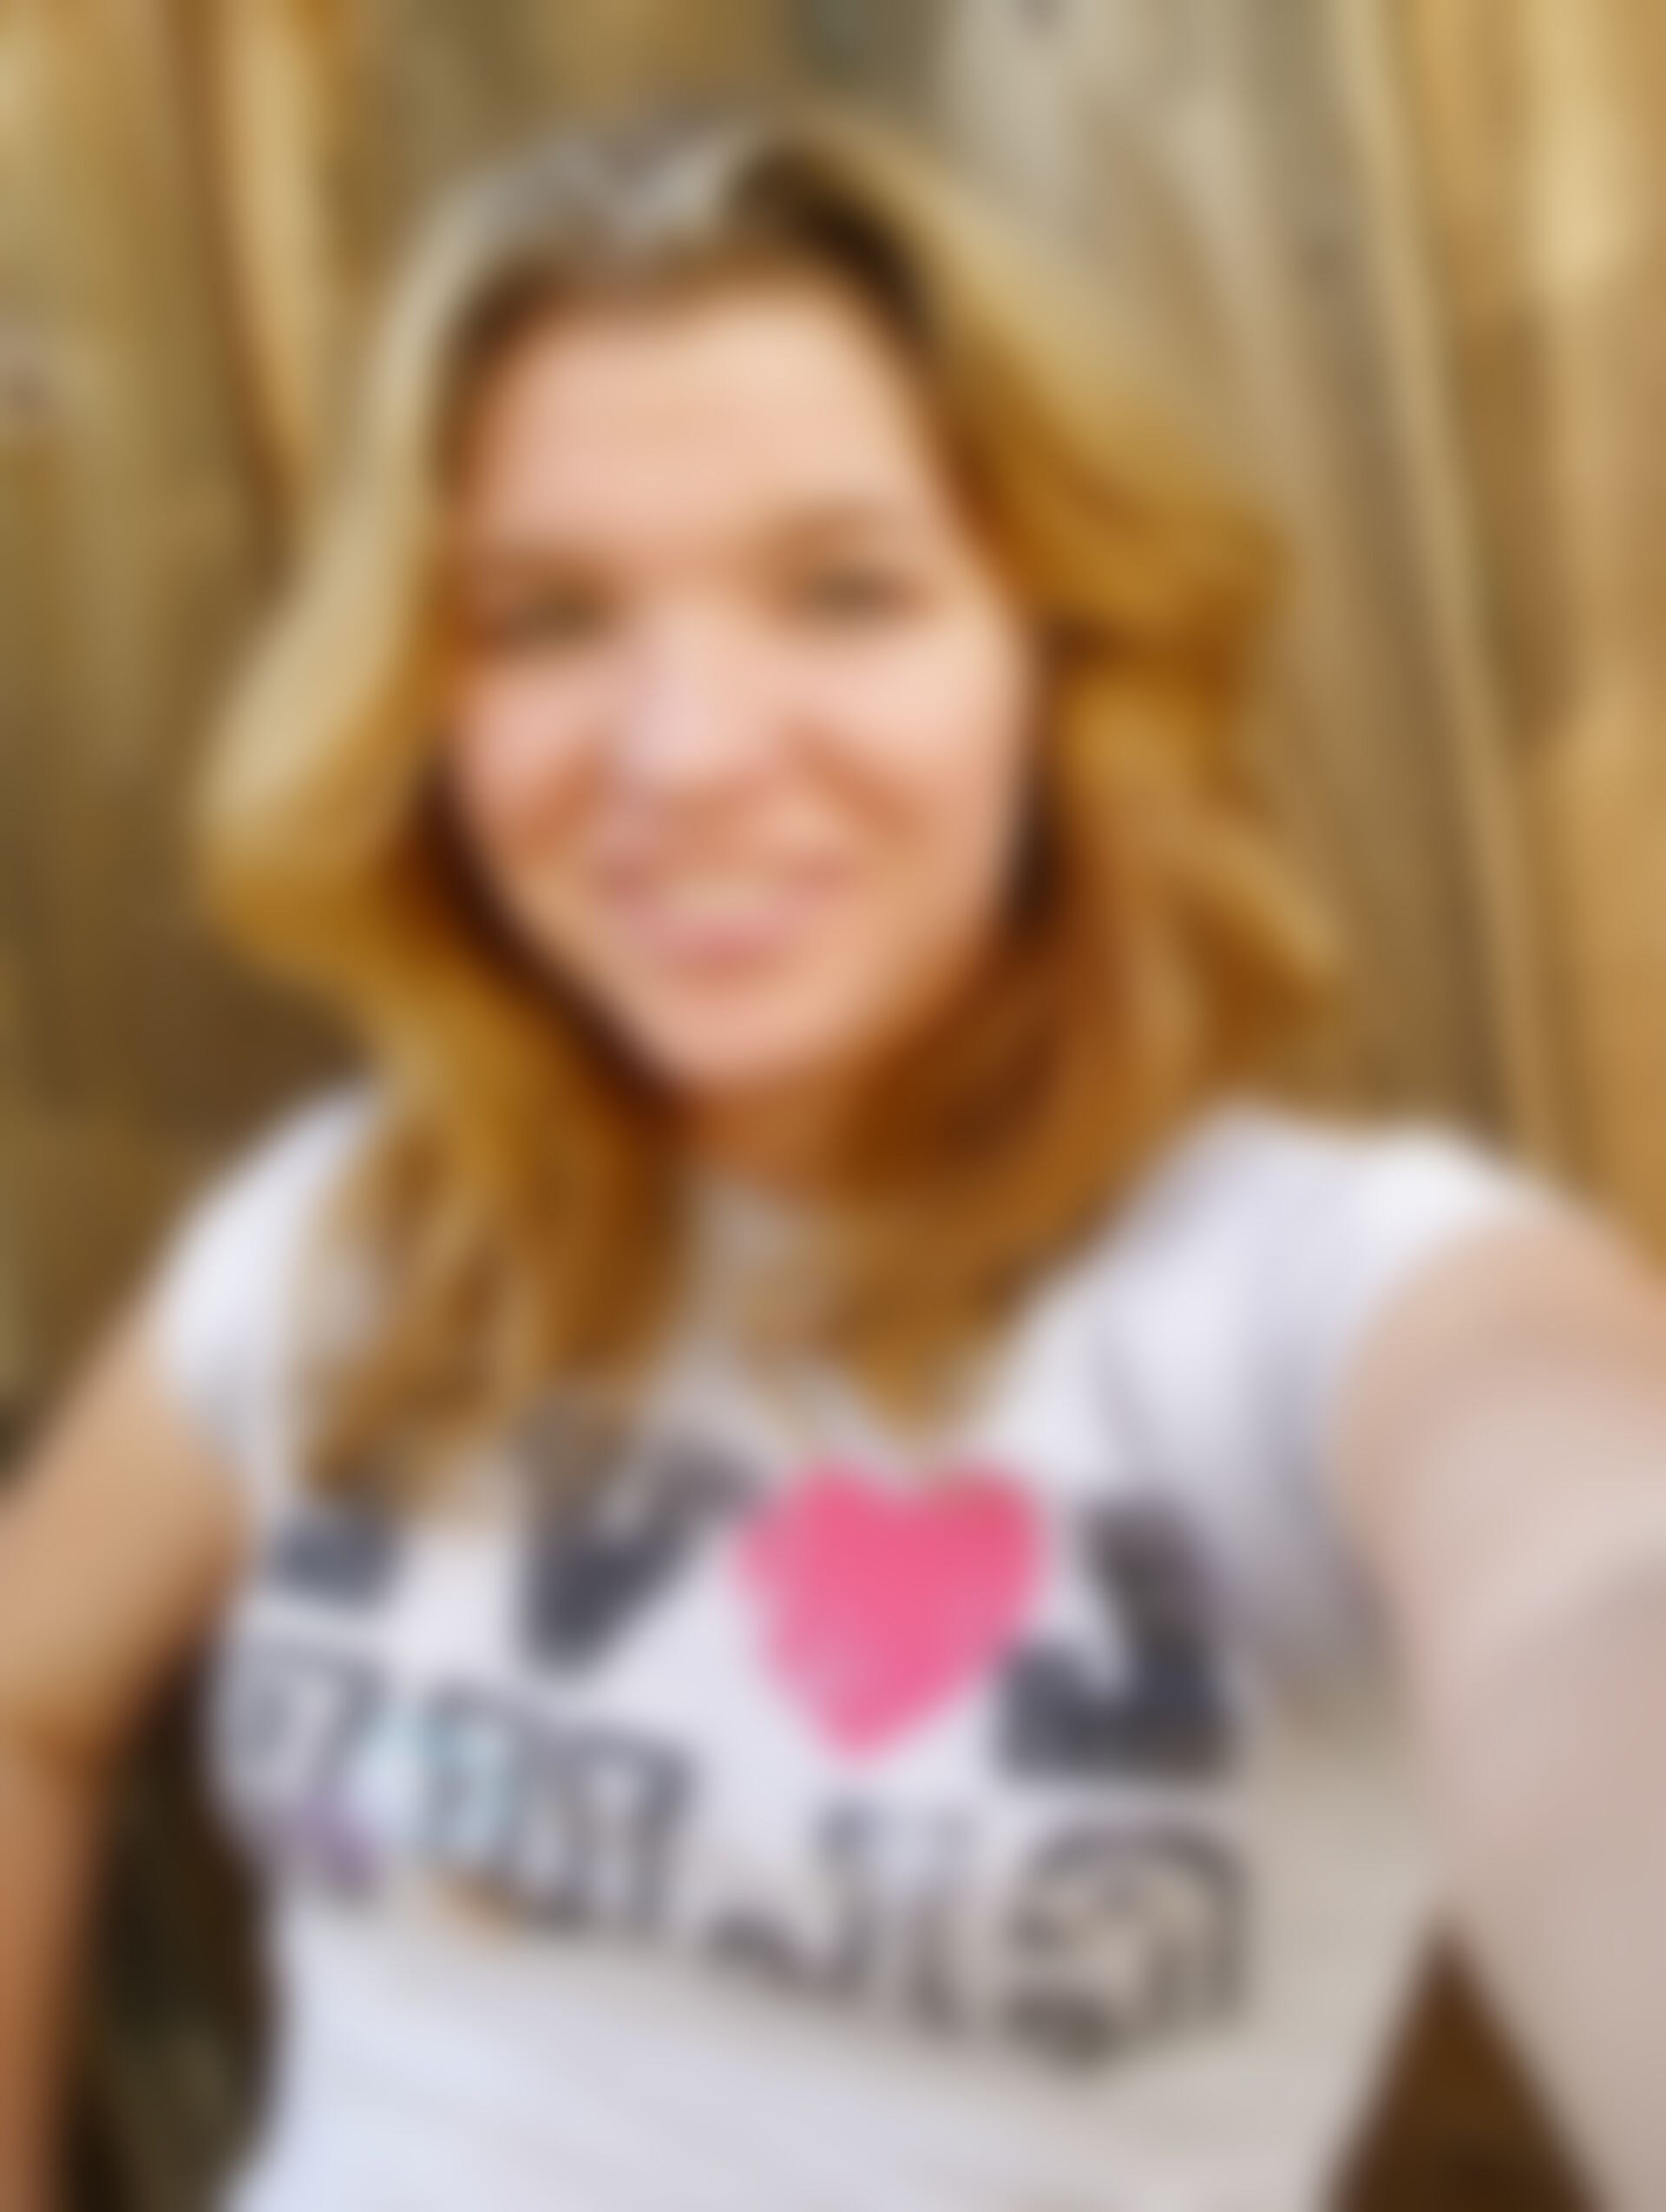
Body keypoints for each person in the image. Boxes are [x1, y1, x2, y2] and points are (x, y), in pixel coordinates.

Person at [3, 99, 1666, 2212]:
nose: (686, 752)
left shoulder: (1327, 1306)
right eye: (544, 618)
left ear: (1055, 661)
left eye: (847, 593)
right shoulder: (352, 1230)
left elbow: (1596, 1586)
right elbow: (29, 1694)